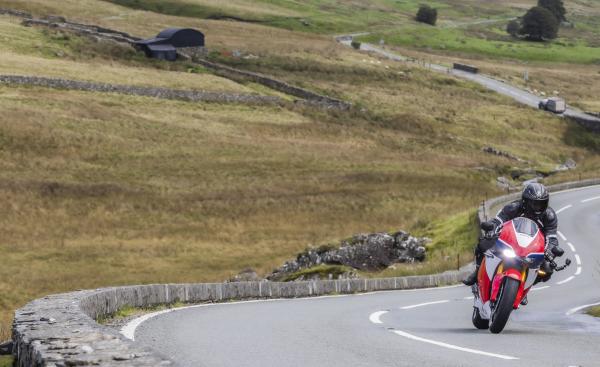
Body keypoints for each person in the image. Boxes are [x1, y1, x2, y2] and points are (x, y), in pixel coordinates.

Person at [462, 183, 565, 288]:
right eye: (534, 204)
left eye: (541, 204)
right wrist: (491, 228)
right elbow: (498, 221)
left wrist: (550, 251)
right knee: (483, 244)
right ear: (525, 201)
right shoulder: (513, 207)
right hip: (510, 242)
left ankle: (524, 289)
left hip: (533, 249)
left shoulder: (549, 216)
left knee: (547, 270)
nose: (537, 207)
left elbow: (552, 237)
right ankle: (477, 272)